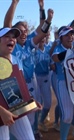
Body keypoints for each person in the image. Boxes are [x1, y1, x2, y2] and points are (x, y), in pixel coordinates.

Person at [3, 0, 54, 139]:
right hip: (13, 87)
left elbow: (42, 30)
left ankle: (34, 130)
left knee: (31, 113)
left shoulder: (28, 43)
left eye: (26, 30)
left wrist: (43, 10)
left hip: (30, 82)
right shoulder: (10, 47)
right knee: (12, 121)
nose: (24, 33)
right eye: (20, 31)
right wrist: (14, 3)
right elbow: (7, 26)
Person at [0, 27, 35, 140]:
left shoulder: (16, 60)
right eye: (7, 36)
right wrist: (1, 111)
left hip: (16, 108)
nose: (12, 39)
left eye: (14, 37)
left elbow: (19, 87)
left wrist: (29, 102)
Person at [52, 26, 74, 140]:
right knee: (67, 116)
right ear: (61, 37)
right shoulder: (58, 48)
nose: (70, 37)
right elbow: (56, 58)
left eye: (71, 34)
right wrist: (71, 51)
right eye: (67, 35)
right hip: (63, 83)